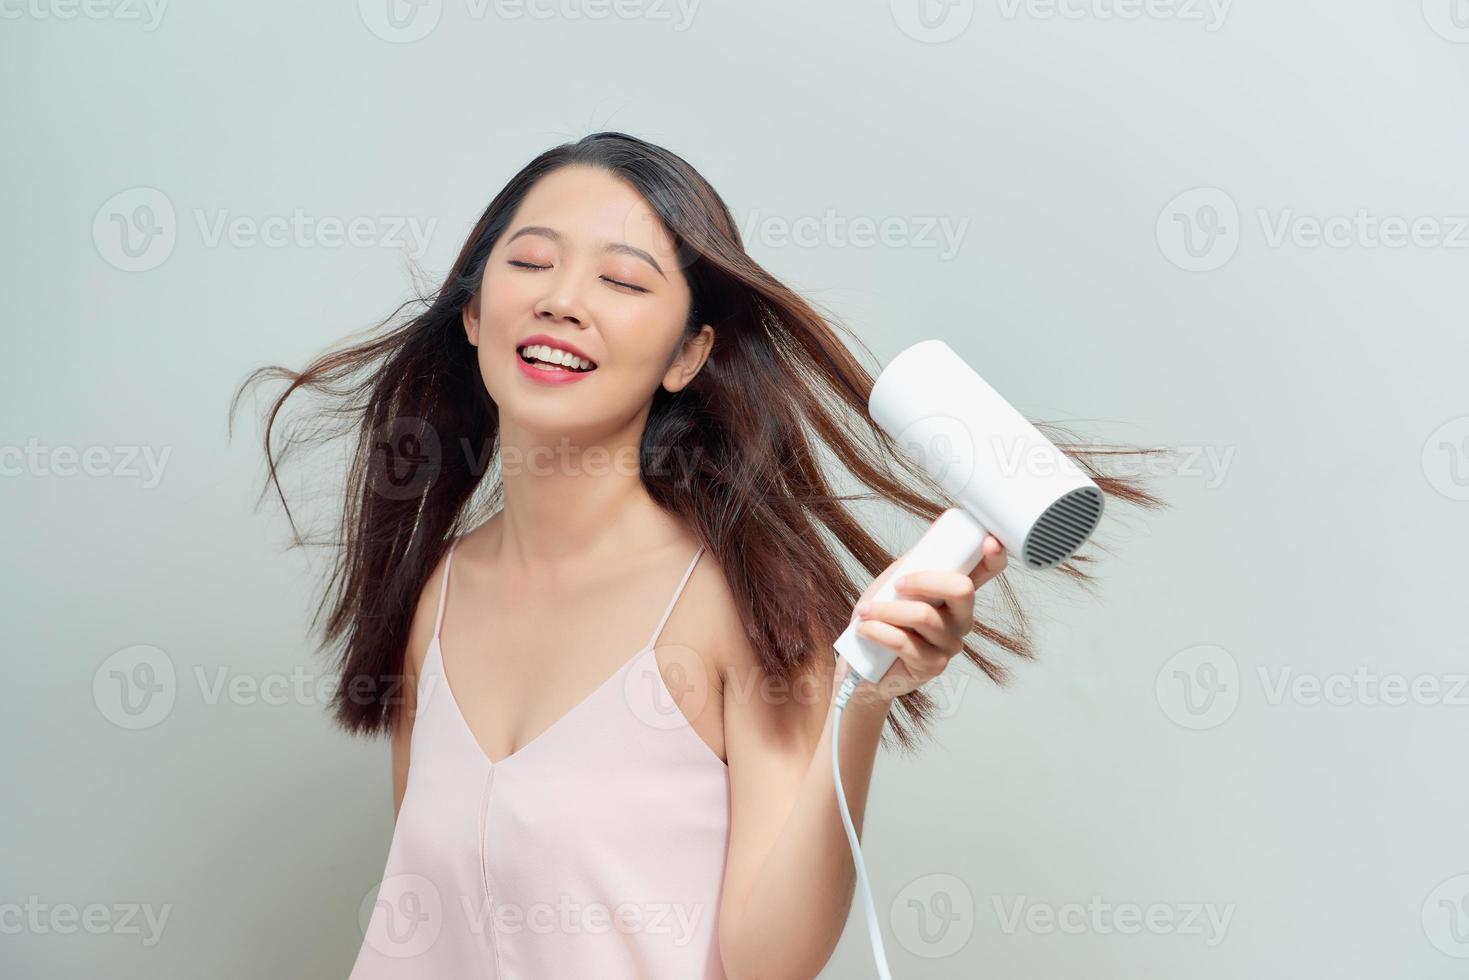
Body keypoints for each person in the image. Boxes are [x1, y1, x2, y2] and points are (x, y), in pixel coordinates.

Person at [233, 131, 1164, 979]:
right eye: (529, 263)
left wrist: (866, 700)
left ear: (688, 355)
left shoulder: (742, 607)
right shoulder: (440, 593)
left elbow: (767, 964)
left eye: (625, 283)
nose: (562, 301)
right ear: (474, 315)